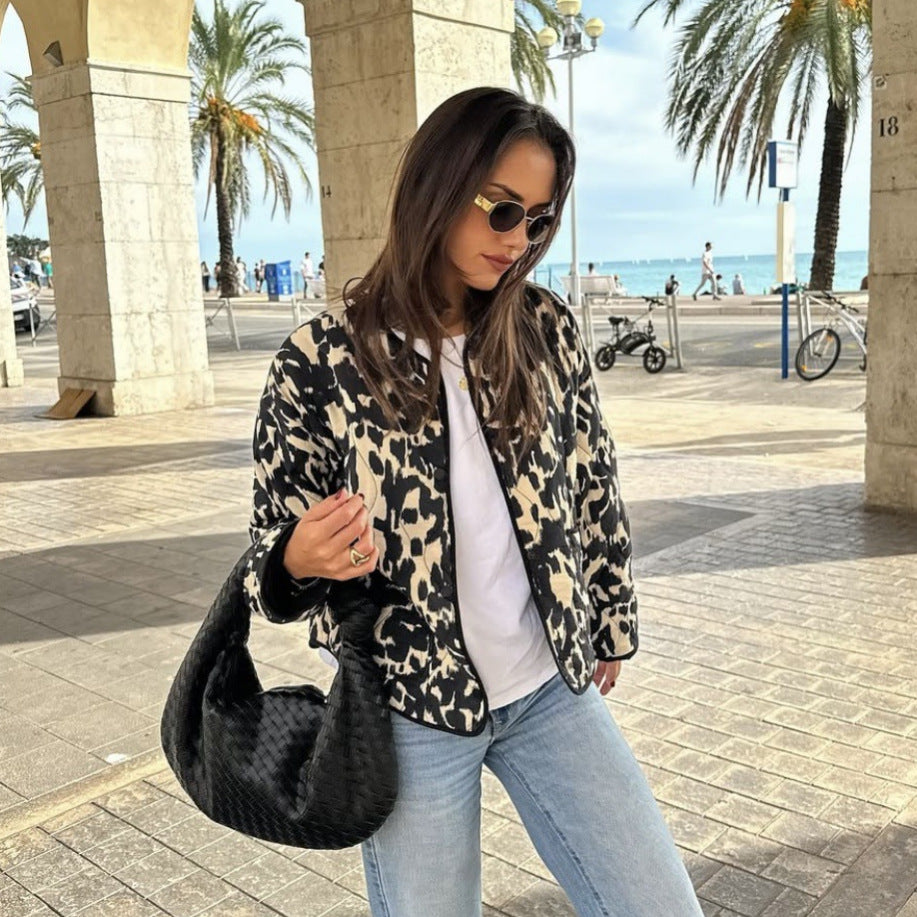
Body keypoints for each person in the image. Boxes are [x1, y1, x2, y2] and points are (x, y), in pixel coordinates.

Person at [244, 86, 702, 917]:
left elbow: (592, 484)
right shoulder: (321, 360)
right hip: (408, 706)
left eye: (538, 219)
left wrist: (609, 618)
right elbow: (267, 554)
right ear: (439, 184)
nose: (518, 238)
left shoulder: (544, 329)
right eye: (501, 209)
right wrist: (294, 558)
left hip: (549, 687)